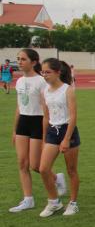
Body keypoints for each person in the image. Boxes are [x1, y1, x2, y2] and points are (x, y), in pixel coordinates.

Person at [9, 49, 66, 213]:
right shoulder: (19, 81)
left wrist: (44, 133)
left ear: (34, 62)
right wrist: (15, 129)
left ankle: (56, 178)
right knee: (22, 163)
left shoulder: (42, 81)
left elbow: (45, 108)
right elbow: (19, 107)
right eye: (18, 59)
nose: (19, 62)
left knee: (35, 165)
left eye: (23, 59)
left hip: (37, 121)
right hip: (23, 122)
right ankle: (28, 200)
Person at [38, 59, 80, 217]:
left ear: (58, 72)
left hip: (67, 130)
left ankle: (73, 203)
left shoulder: (67, 90)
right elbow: (46, 117)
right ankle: (54, 202)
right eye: (43, 72)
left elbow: (73, 116)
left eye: (47, 72)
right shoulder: (45, 91)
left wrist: (66, 139)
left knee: (71, 170)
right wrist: (44, 139)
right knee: (43, 169)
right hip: (52, 132)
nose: (44, 75)